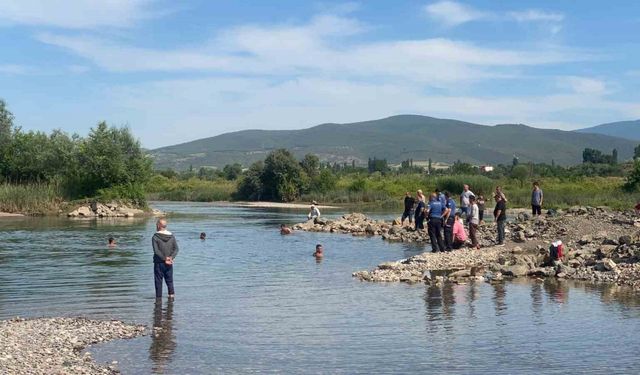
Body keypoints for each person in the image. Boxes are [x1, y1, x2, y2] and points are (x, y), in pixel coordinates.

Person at [152, 218, 179, 299]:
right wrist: (171, 258)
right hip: (169, 262)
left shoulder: (155, 237)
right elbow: (176, 249)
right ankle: (171, 303)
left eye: (156, 224)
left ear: (158, 226)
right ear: (165, 226)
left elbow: (156, 251)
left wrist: (165, 259)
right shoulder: (171, 236)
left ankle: (158, 303)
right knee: (170, 281)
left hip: (159, 263)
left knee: (158, 282)